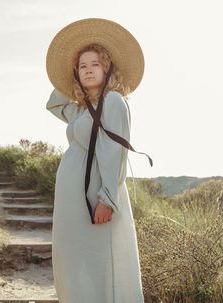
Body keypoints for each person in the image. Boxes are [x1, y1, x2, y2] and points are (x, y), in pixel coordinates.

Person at [45, 18, 146, 303]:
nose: (88, 70)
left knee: (101, 261)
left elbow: (115, 155)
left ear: (108, 67)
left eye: (95, 65)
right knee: (74, 261)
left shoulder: (113, 102)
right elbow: (54, 102)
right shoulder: (80, 110)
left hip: (96, 196)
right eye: (82, 66)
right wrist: (70, 76)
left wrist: (107, 198)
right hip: (72, 200)